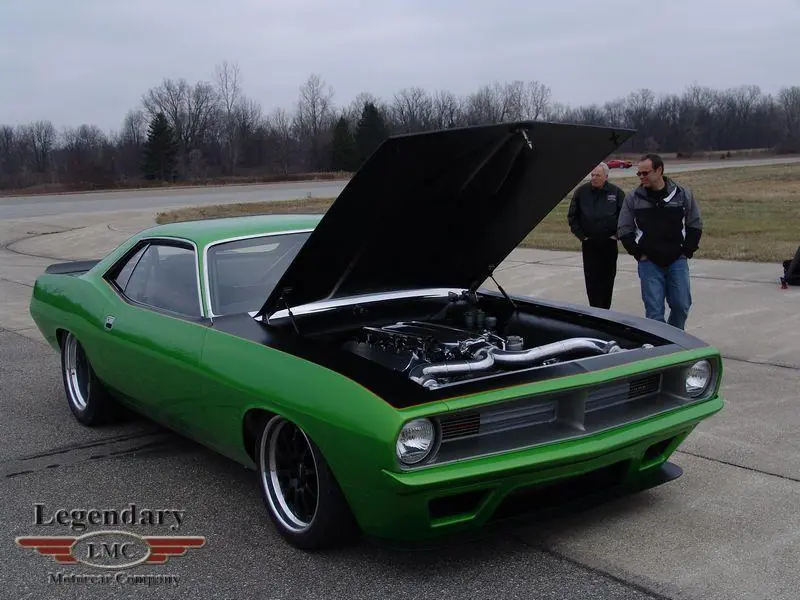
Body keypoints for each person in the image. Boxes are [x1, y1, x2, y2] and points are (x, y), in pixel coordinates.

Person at [617, 154, 703, 330]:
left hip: (677, 261)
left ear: (659, 171)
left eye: (645, 173)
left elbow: (695, 223)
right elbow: (624, 229)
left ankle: (674, 337)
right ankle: (661, 343)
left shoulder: (682, 195)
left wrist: (687, 250)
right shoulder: (633, 198)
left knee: (681, 306)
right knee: (654, 313)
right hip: (649, 263)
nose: (641, 177)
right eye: (639, 174)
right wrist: (638, 253)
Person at [567, 162, 627, 309]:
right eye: (592, 175)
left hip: (609, 244)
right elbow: (572, 216)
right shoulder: (581, 192)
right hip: (589, 244)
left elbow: (626, 217)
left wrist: (617, 235)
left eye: (597, 175)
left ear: (606, 177)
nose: (594, 178)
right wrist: (582, 236)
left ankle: (605, 310)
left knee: (607, 278)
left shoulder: (616, 193)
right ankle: (594, 309)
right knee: (591, 279)